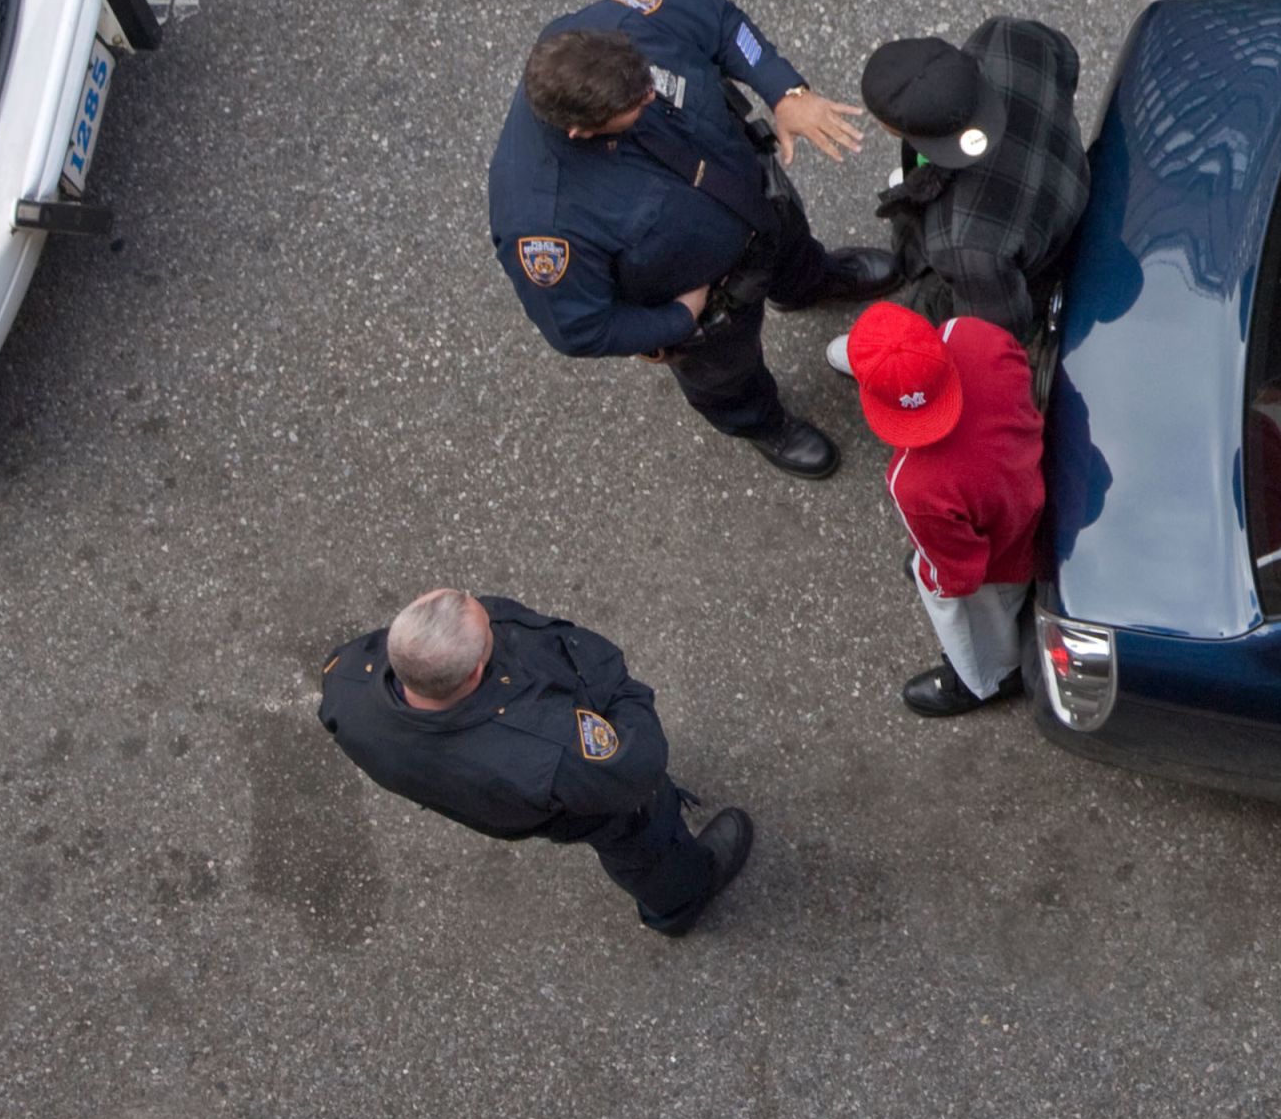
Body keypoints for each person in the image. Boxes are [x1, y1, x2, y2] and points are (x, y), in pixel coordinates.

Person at [488, 0, 899, 479]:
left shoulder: (623, 27)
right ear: (583, 131)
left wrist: (785, 91)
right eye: (639, 105)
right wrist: (678, 321)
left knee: (796, 251)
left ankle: (812, 283)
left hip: (760, 201)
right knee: (727, 377)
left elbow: (723, 22)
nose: (652, 94)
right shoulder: (542, 222)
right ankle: (760, 422)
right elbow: (581, 327)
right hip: (712, 300)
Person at [316, 591, 753, 936]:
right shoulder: (548, 748)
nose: (489, 610)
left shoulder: (347, 679)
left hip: (479, 794)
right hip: (573, 796)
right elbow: (636, 767)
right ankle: (679, 903)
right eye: (490, 632)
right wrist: (621, 694)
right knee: (642, 839)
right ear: (473, 676)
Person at [845, 301, 1048, 717]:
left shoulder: (914, 484)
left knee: (969, 617)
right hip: (1037, 487)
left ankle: (986, 680)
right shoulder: (975, 334)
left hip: (1004, 557)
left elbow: (960, 575)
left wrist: (929, 571)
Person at [855, 22, 1090, 328]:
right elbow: (1067, 63)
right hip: (1070, 180)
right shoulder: (1005, 34)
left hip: (1041, 257)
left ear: (893, 128)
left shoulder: (960, 242)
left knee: (926, 306)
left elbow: (996, 332)